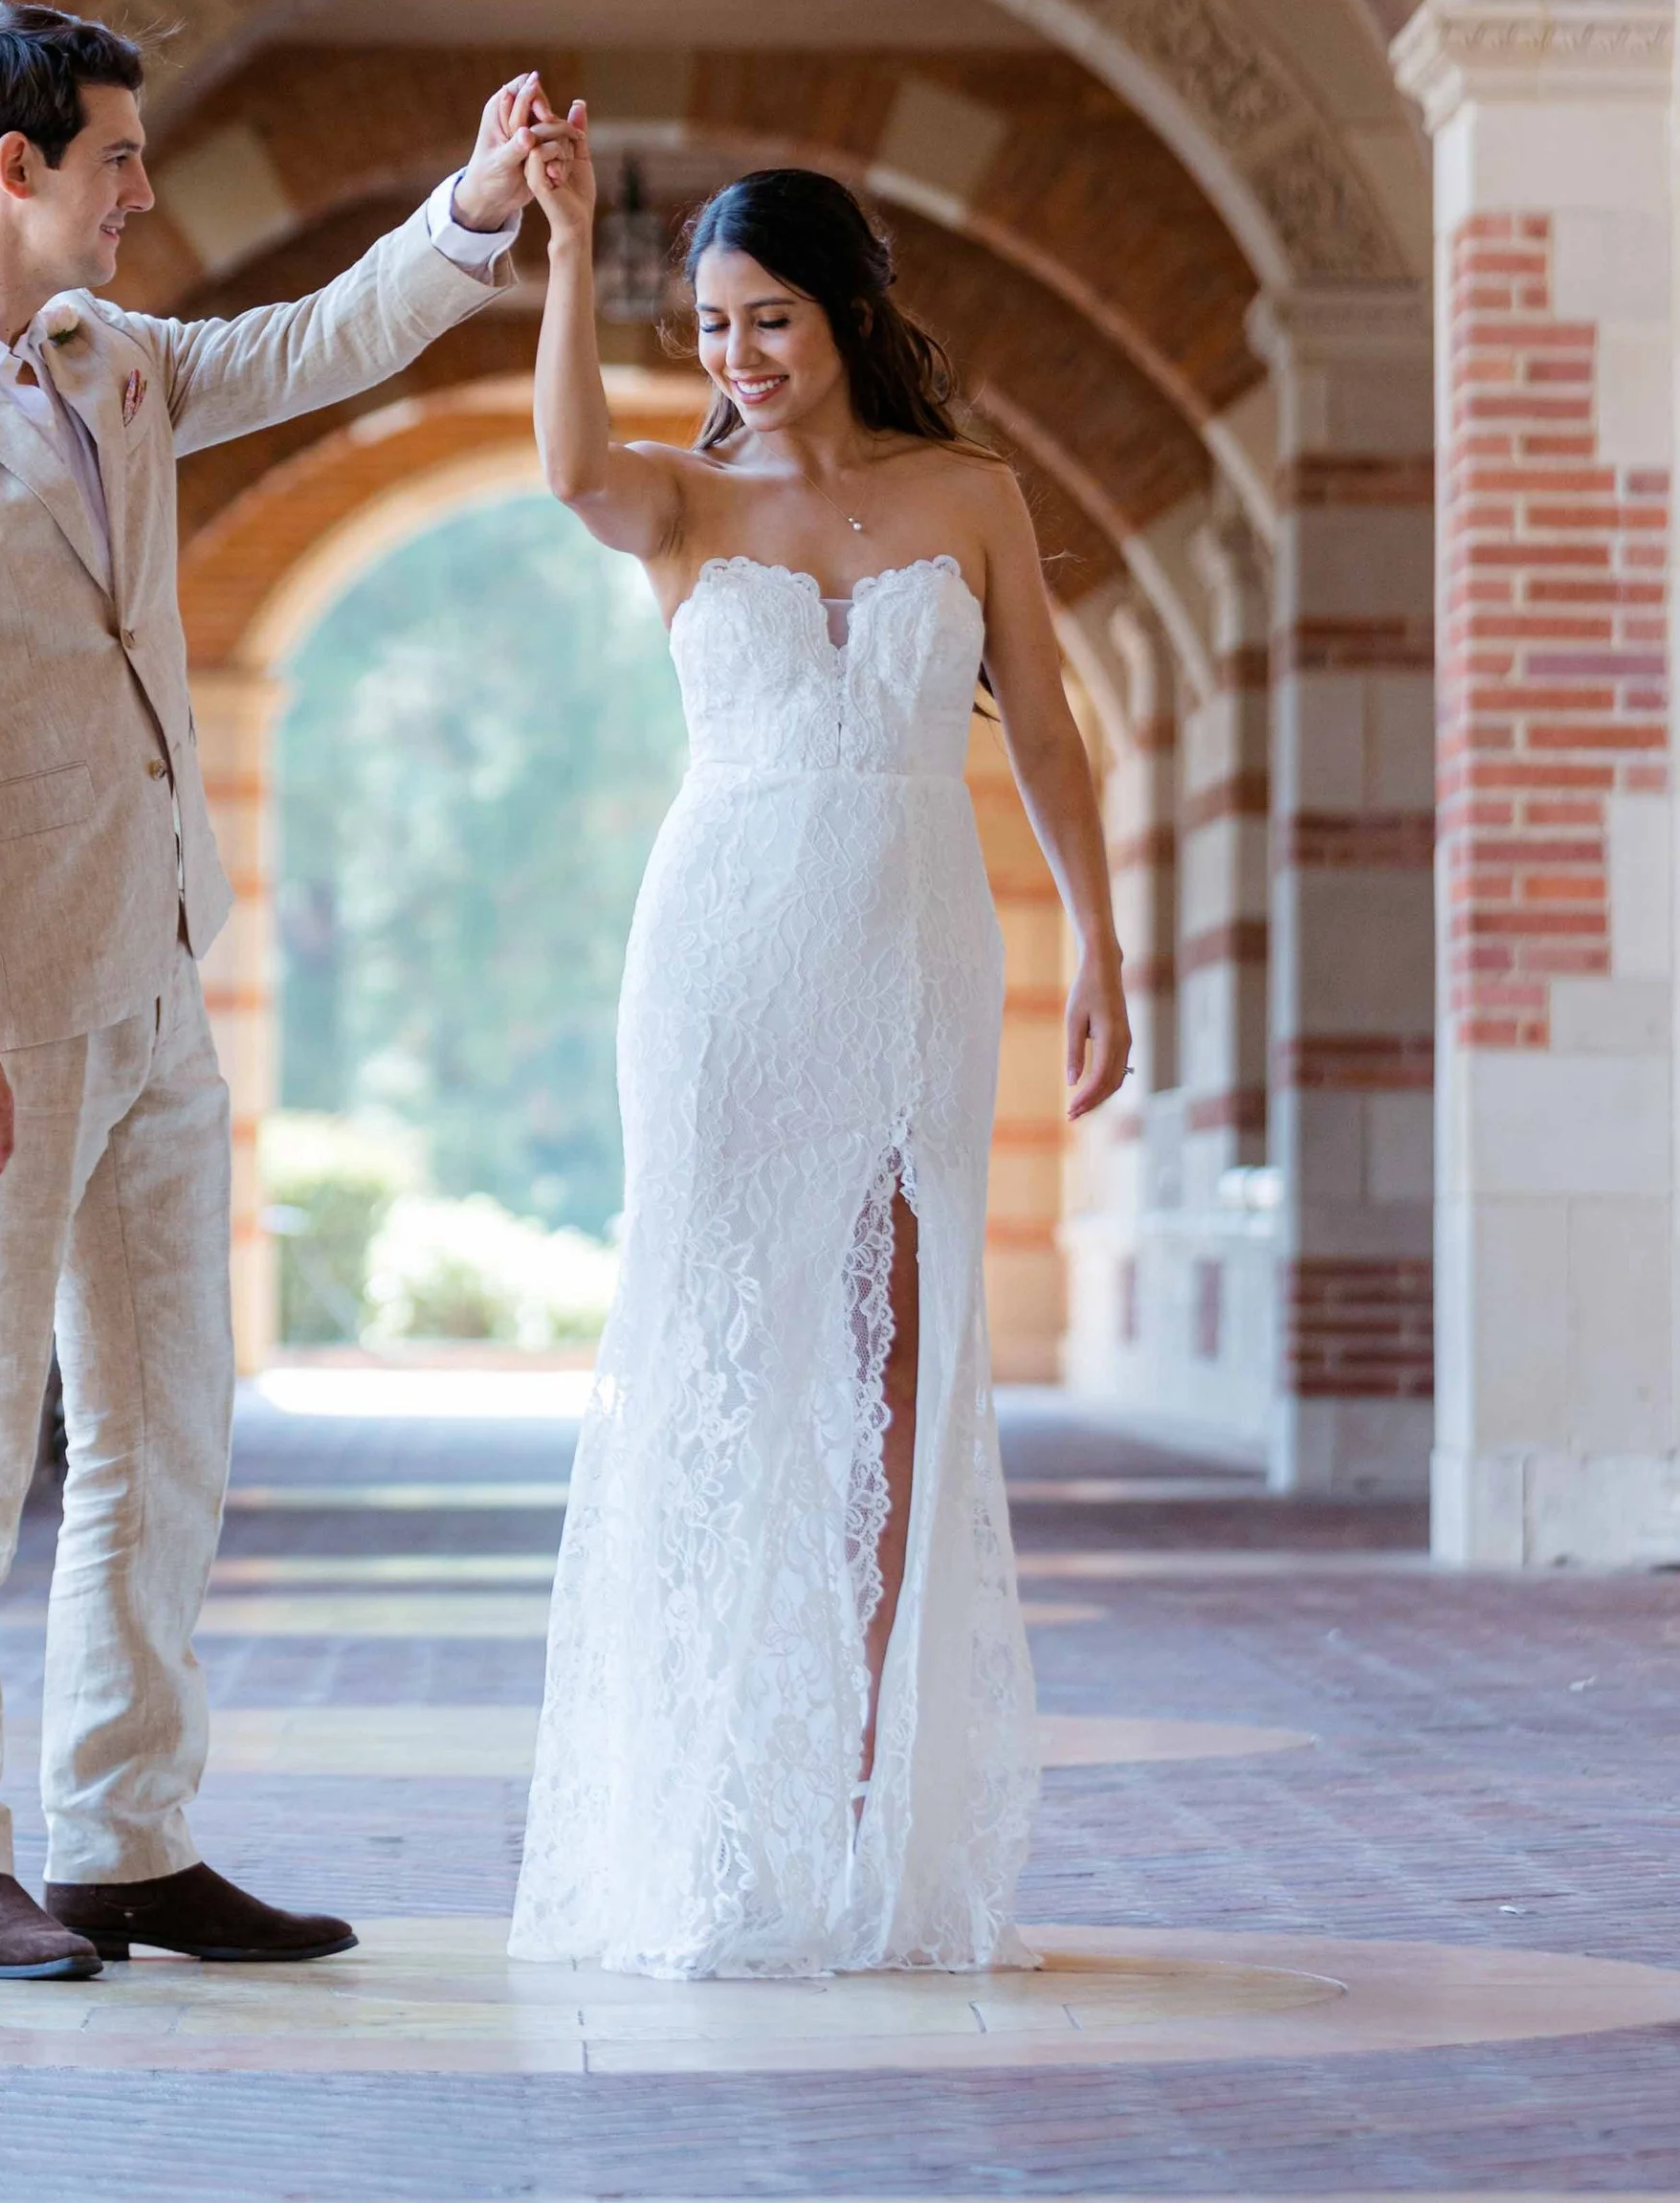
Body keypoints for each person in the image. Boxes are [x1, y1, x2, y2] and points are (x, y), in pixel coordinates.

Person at [0, 0, 553, 1983]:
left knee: (159, 1432)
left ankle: (123, 1834)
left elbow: (304, 347)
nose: (143, 189)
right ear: (13, 169)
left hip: (146, 973)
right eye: (118, 157)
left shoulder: (108, 363)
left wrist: (473, 206)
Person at [507, 128, 1132, 1982]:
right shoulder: (678, 508)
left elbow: (1051, 733)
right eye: (704, 328)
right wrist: (556, 246)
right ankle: (704, 1819)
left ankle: (864, 1820)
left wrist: (1102, 937)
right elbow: (559, 465)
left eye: (763, 319)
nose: (733, 358)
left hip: (918, 953)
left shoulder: (971, 495)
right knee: (718, 1376)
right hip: (716, 966)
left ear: (845, 311)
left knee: (897, 1385)